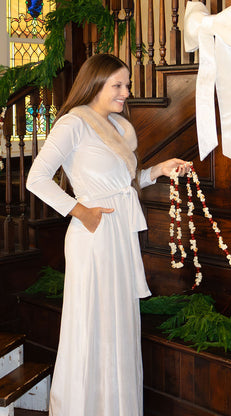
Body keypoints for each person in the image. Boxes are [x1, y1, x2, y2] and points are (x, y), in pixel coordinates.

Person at [26, 53, 189, 415]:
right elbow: (36, 179)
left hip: (120, 234)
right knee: (92, 325)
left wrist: (158, 170)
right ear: (95, 84)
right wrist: (81, 211)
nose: (125, 92)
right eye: (117, 85)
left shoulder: (117, 126)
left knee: (119, 324)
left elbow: (122, 185)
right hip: (93, 235)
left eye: (126, 84)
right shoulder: (73, 123)